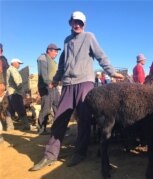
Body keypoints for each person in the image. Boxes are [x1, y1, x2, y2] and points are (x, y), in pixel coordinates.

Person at [30, 10, 124, 171]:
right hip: (67, 84)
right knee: (60, 118)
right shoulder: (66, 41)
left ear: (84, 24)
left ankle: (80, 152)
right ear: (70, 23)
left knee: (84, 119)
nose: (77, 25)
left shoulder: (89, 37)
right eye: (75, 22)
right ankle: (50, 154)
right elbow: (62, 64)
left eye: (80, 22)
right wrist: (56, 79)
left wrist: (111, 72)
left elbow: (101, 55)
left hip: (85, 83)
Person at [37, 43, 61, 135]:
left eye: (57, 52)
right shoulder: (42, 58)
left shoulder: (53, 61)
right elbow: (43, 74)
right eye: (55, 51)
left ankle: (59, 127)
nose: (56, 53)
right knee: (46, 108)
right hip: (46, 87)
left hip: (53, 86)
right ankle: (41, 129)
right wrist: (48, 83)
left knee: (58, 106)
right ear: (49, 50)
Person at [6, 58, 30, 130]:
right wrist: (21, 90)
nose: (19, 65)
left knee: (10, 110)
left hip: (10, 93)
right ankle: (26, 125)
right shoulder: (13, 70)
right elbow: (17, 81)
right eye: (19, 63)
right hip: (15, 93)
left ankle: (9, 126)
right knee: (20, 108)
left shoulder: (9, 69)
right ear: (14, 63)